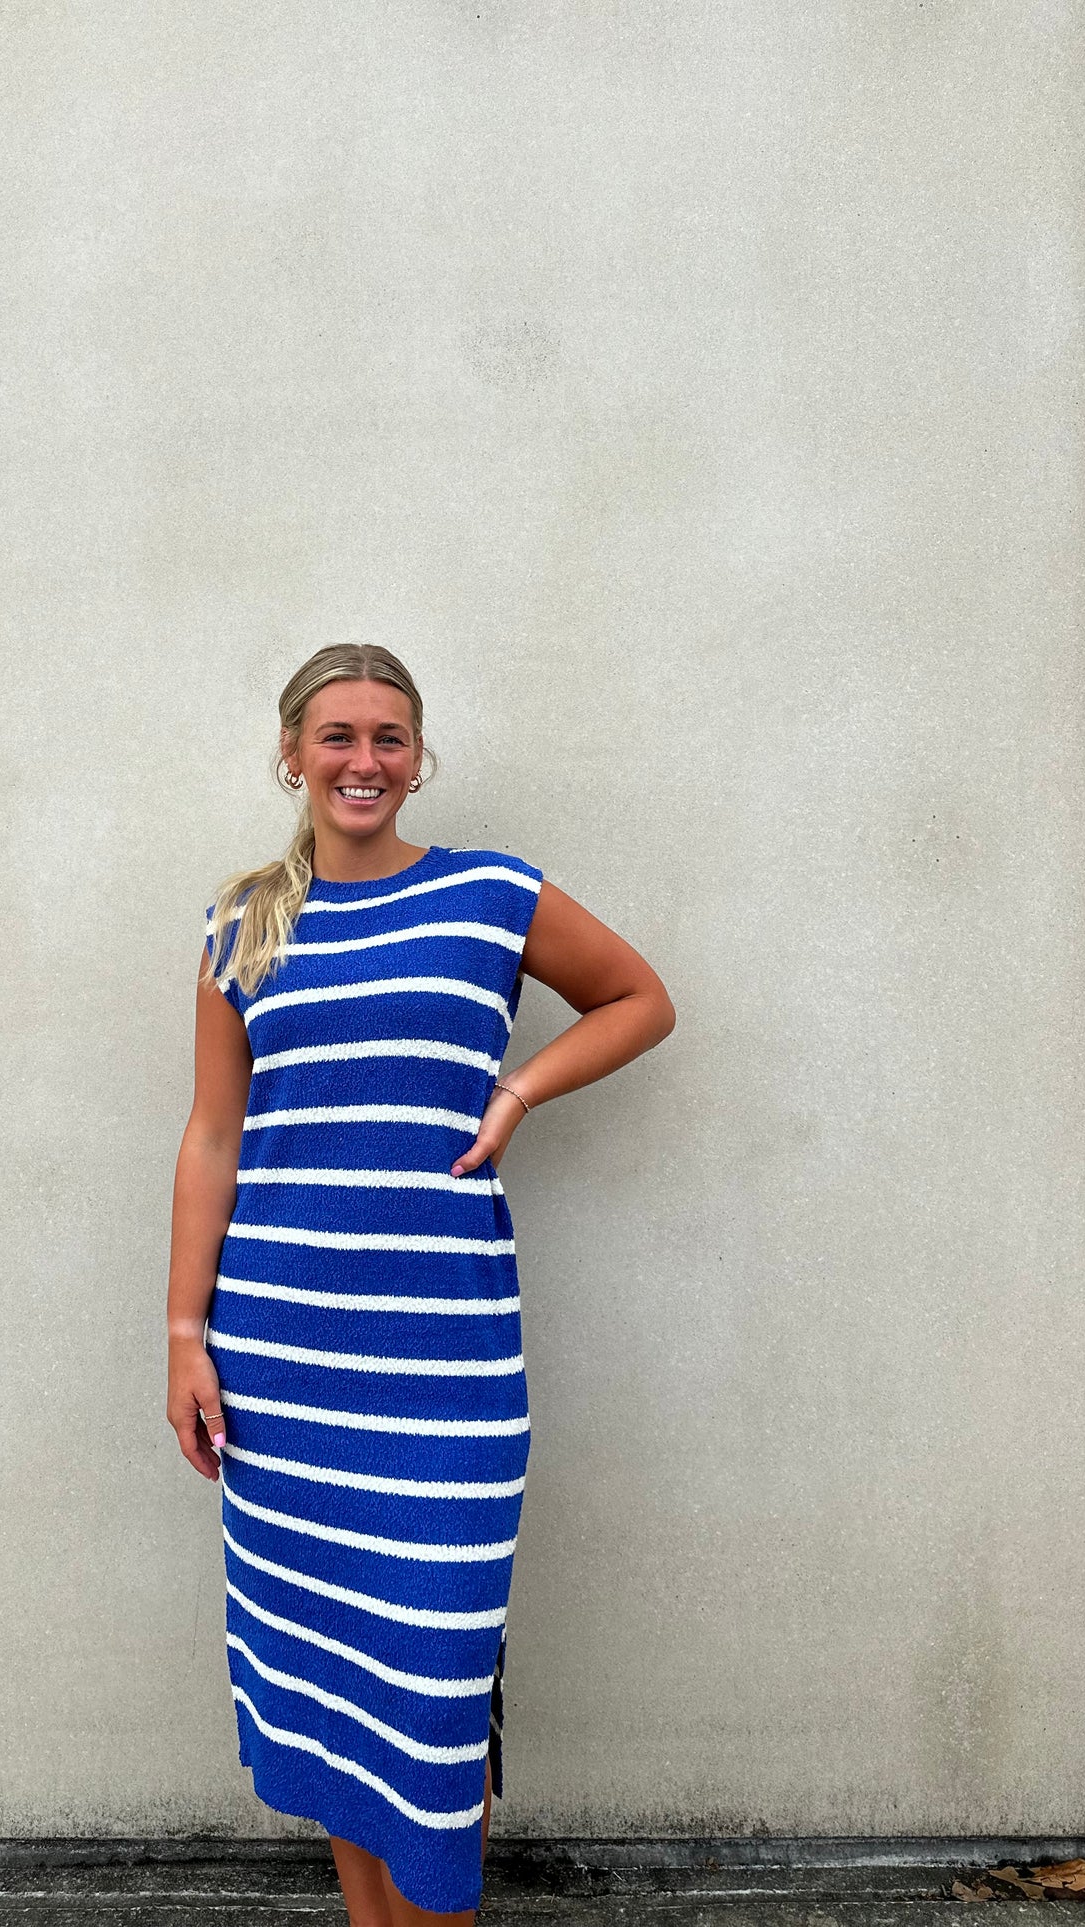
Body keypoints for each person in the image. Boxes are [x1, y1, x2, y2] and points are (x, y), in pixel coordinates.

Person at [167, 643, 675, 1925]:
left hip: (443, 1369)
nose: (363, 760)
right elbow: (212, 1138)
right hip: (282, 1363)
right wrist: (184, 1331)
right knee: (331, 1684)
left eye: (388, 737)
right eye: (335, 735)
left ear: (418, 756)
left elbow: (636, 999)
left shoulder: (490, 898)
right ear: (292, 752)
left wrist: (517, 1088)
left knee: (432, 1687)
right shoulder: (242, 923)